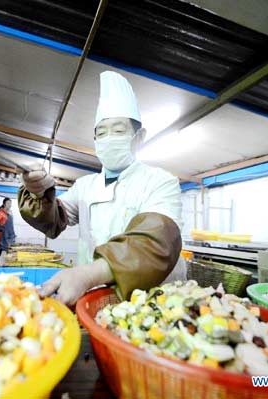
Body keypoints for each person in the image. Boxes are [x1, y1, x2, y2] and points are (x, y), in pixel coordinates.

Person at [19, 71, 185, 305]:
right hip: (94, 300)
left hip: (151, 304)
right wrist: (39, 193)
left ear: (139, 137)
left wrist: (90, 273)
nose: (109, 139)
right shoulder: (85, 186)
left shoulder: (160, 182)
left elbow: (158, 241)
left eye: (118, 131)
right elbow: (53, 220)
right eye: (101, 132)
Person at [0, 198, 16, 265]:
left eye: (10, 203)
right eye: (8, 203)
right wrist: (2, 230)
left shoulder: (9, 212)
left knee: (9, 251)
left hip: (9, 236)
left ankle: (6, 266)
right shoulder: (0, 212)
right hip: (1, 236)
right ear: (4, 204)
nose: (9, 205)